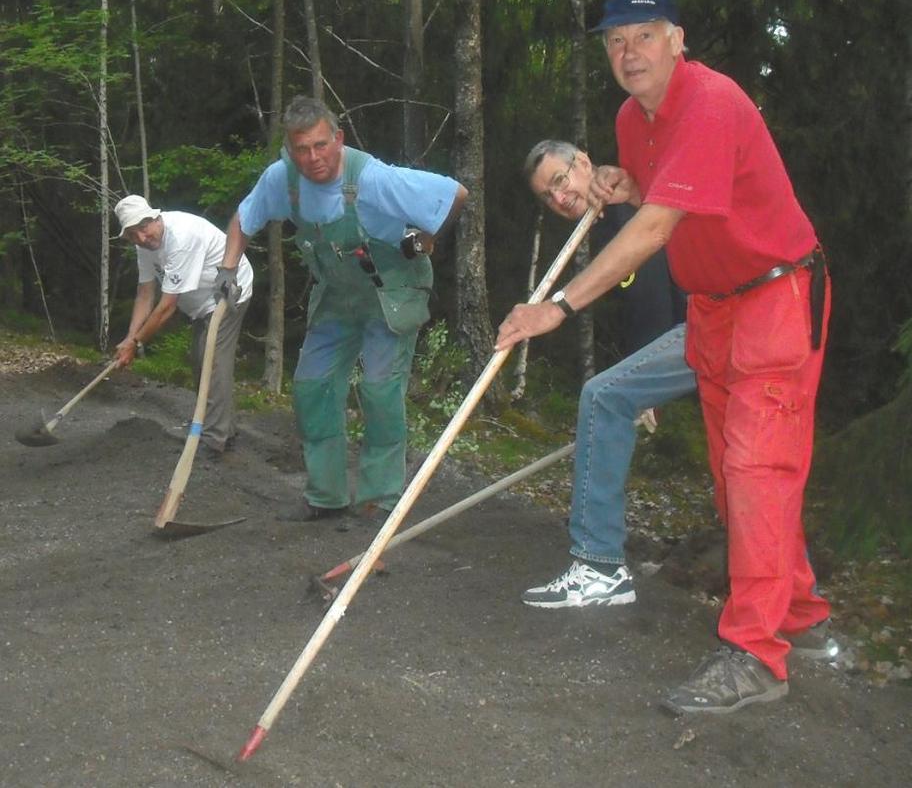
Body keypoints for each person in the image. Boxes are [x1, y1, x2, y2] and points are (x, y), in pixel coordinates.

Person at [496, 0, 834, 715]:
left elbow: (654, 228)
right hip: (713, 307)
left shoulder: (711, 100)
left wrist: (557, 305)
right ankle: (801, 615)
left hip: (775, 295)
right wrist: (626, 182)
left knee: (754, 471)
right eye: (614, 42)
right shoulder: (630, 116)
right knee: (732, 476)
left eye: (642, 36)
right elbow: (666, 190)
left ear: (676, 40)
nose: (627, 54)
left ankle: (755, 656)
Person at [218, 95, 467, 523]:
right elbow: (244, 218)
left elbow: (455, 193)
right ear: (289, 149)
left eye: (320, 145)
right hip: (336, 294)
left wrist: (428, 237)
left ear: (338, 138)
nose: (312, 158)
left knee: (379, 390)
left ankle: (380, 499)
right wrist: (226, 267)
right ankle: (325, 496)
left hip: (392, 289)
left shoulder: (373, 179)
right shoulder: (283, 180)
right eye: (302, 149)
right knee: (312, 388)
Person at [518, 139, 696, 608]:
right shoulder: (601, 224)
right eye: (546, 195)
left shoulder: (624, 205)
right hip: (702, 331)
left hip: (709, 325)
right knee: (739, 466)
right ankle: (801, 611)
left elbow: (656, 289)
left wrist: (645, 387)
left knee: (604, 396)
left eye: (560, 180)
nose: (558, 198)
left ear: (583, 161)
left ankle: (598, 567)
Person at [113, 195, 253, 458]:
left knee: (212, 362)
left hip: (228, 293)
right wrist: (129, 337)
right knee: (200, 360)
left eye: (144, 228)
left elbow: (167, 307)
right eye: (133, 234)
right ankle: (223, 427)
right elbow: (145, 292)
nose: (142, 237)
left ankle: (214, 440)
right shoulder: (144, 246)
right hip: (201, 303)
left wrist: (137, 343)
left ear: (155, 217)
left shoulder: (181, 238)